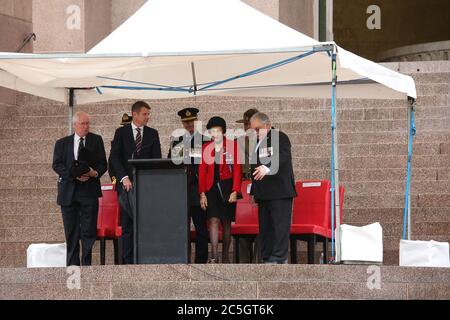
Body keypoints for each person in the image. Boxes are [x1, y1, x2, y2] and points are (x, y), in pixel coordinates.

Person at [109, 101, 162, 264]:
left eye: (148, 114)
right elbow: (114, 158)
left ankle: (146, 259)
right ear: (135, 114)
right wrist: (123, 177)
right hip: (126, 187)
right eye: (145, 114)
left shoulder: (153, 133)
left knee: (146, 225)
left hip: (146, 188)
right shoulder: (121, 132)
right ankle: (128, 261)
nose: (147, 117)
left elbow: (157, 160)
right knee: (127, 225)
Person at [52, 111, 107, 266]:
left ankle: (87, 265)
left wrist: (94, 173)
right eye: (83, 123)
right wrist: (73, 175)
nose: (86, 126)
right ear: (74, 124)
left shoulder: (96, 140)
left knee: (88, 231)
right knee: (71, 231)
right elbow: (56, 164)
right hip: (69, 192)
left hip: (89, 192)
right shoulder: (62, 143)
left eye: (88, 123)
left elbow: (103, 164)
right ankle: (73, 266)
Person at [249, 112, 297, 264]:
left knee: (279, 226)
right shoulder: (256, 142)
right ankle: (267, 256)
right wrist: (253, 190)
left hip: (279, 191)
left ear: (267, 125)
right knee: (266, 228)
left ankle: (278, 257)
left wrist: (267, 168)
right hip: (263, 193)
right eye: (253, 130)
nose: (255, 133)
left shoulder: (279, 137)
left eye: (258, 129)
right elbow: (255, 168)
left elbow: (282, 156)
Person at [168, 107, 209, 264]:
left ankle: (201, 260)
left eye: (192, 122)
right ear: (182, 123)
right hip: (181, 192)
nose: (189, 125)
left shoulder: (206, 141)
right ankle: (182, 258)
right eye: (186, 122)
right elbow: (170, 163)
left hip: (199, 191)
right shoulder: (177, 142)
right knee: (181, 229)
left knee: (201, 229)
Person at [199, 117, 242, 263]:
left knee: (227, 221)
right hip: (211, 188)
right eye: (212, 131)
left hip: (228, 187)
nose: (215, 133)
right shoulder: (206, 147)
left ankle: (225, 256)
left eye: (218, 130)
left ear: (223, 131)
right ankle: (214, 256)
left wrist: (235, 190)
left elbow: (237, 169)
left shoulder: (233, 145)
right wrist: (202, 193)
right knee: (213, 220)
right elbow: (202, 171)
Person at [236, 108, 261, 263]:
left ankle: (259, 261)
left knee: (260, 224)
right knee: (242, 224)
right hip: (243, 184)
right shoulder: (239, 142)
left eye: (248, 124)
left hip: (259, 182)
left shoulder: (265, 141)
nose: (246, 128)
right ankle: (244, 263)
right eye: (245, 125)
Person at [108, 113, 132, 185]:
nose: (125, 128)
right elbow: (111, 165)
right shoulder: (117, 143)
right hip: (122, 182)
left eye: (128, 126)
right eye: (124, 126)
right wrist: (115, 182)